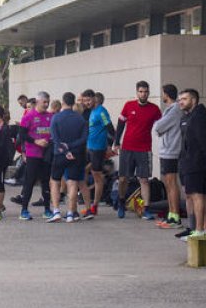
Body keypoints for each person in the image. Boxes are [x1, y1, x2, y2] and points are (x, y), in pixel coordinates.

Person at [112, 81, 164, 220]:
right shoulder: (129, 106)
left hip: (144, 149)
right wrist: (116, 142)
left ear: (148, 93)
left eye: (146, 92)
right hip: (127, 148)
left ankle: (146, 209)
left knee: (144, 179)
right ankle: (121, 203)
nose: (143, 94)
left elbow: (162, 126)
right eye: (141, 91)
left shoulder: (154, 109)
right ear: (137, 92)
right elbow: (121, 124)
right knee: (123, 179)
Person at [176, 88, 206, 240]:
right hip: (191, 161)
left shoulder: (198, 115)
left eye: (184, 99)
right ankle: (205, 227)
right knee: (202, 194)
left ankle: (200, 229)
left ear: (193, 100)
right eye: (180, 99)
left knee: (197, 195)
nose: (181, 102)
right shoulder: (190, 116)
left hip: (196, 162)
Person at [48, 92, 89, 223]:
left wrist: (65, 149)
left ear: (63, 102)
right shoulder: (80, 119)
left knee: (55, 181)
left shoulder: (56, 118)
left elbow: (55, 138)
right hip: (76, 154)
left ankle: (56, 211)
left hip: (59, 154)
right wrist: (71, 147)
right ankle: (71, 213)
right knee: (73, 183)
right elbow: (84, 139)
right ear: (73, 103)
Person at [16, 92, 54, 221]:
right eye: (44, 102)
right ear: (37, 101)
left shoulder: (50, 116)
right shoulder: (29, 115)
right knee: (30, 181)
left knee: (45, 182)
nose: (47, 104)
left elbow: (53, 133)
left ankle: (47, 209)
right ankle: (24, 210)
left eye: (48, 102)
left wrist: (50, 142)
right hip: (33, 154)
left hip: (46, 155)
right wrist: (36, 141)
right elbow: (22, 134)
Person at [153, 84, 184, 229]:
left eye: (163, 93)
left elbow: (158, 127)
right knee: (167, 183)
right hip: (166, 150)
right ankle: (171, 214)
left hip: (172, 150)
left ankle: (175, 217)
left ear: (166, 94)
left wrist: (159, 127)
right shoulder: (170, 110)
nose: (162, 96)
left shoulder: (175, 110)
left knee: (171, 183)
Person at [81, 89, 114, 217]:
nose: (87, 103)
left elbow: (111, 128)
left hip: (98, 149)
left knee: (97, 177)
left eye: (88, 100)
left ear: (94, 98)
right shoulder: (91, 111)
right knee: (84, 172)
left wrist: (111, 146)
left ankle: (94, 206)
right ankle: (88, 203)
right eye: (84, 101)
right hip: (89, 147)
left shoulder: (101, 111)